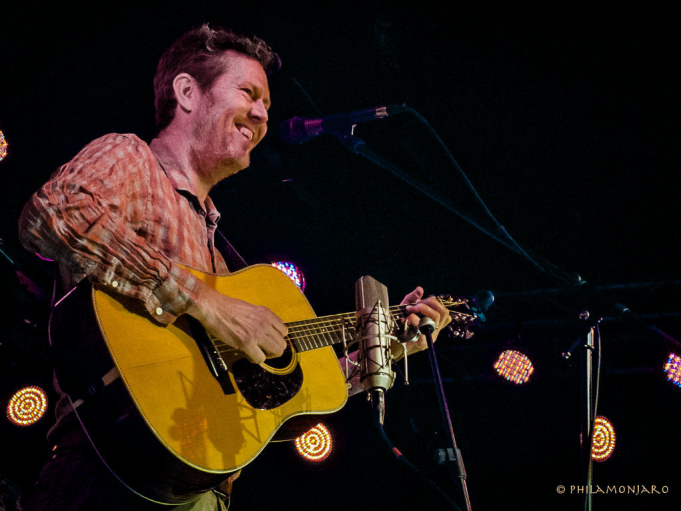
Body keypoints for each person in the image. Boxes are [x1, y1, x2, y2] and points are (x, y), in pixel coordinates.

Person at [18, 24, 451, 511]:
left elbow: (275, 398)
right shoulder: (132, 157)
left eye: (266, 102)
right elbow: (56, 215)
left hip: (197, 485)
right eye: (249, 92)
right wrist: (205, 302)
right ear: (187, 92)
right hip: (110, 476)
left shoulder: (220, 259)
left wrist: (381, 349)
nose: (264, 113)